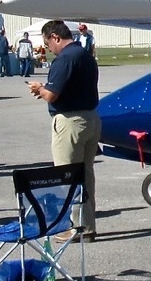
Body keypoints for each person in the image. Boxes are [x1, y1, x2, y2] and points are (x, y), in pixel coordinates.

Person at [28, 21, 100, 240]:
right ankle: (86, 225)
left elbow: (52, 95)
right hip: (91, 118)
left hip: (70, 121)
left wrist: (39, 88)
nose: (48, 48)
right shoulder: (85, 54)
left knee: (68, 175)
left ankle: (75, 227)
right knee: (86, 174)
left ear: (55, 37)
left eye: (48, 43)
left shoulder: (65, 58)